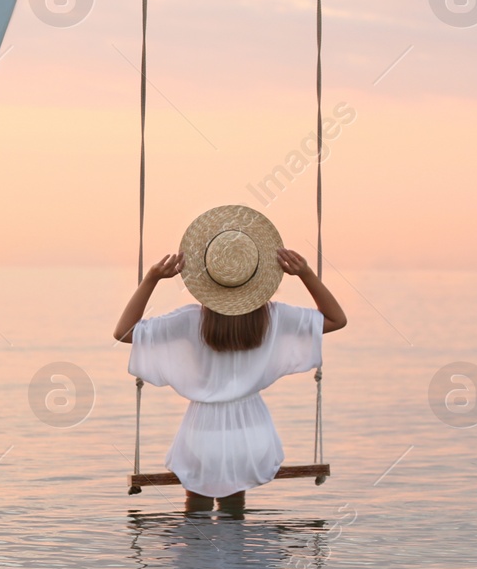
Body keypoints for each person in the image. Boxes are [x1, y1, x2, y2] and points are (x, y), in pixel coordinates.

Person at [112, 205, 347, 511]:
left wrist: (151, 279)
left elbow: (124, 332)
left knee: (195, 514)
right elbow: (336, 319)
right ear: (258, 275)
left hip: (201, 431)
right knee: (234, 513)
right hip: (252, 431)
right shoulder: (275, 318)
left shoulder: (189, 321)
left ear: (207, 281)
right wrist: (305, 273)